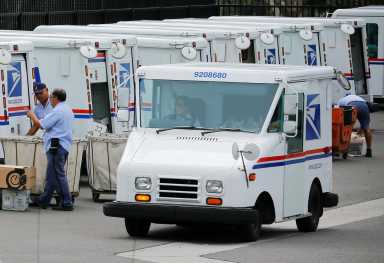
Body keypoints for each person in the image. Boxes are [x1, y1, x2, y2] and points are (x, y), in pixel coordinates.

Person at [27, 88, 74, 211]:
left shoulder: (57, 111)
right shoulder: (67, 109)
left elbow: (41, 125)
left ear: (56, 98)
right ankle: (44, 200)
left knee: (58, 175)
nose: (50, 99)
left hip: (56, 146)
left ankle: (67, 202)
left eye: (51, 97)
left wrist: (32, 115)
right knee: (52, 175)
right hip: (63, 145)